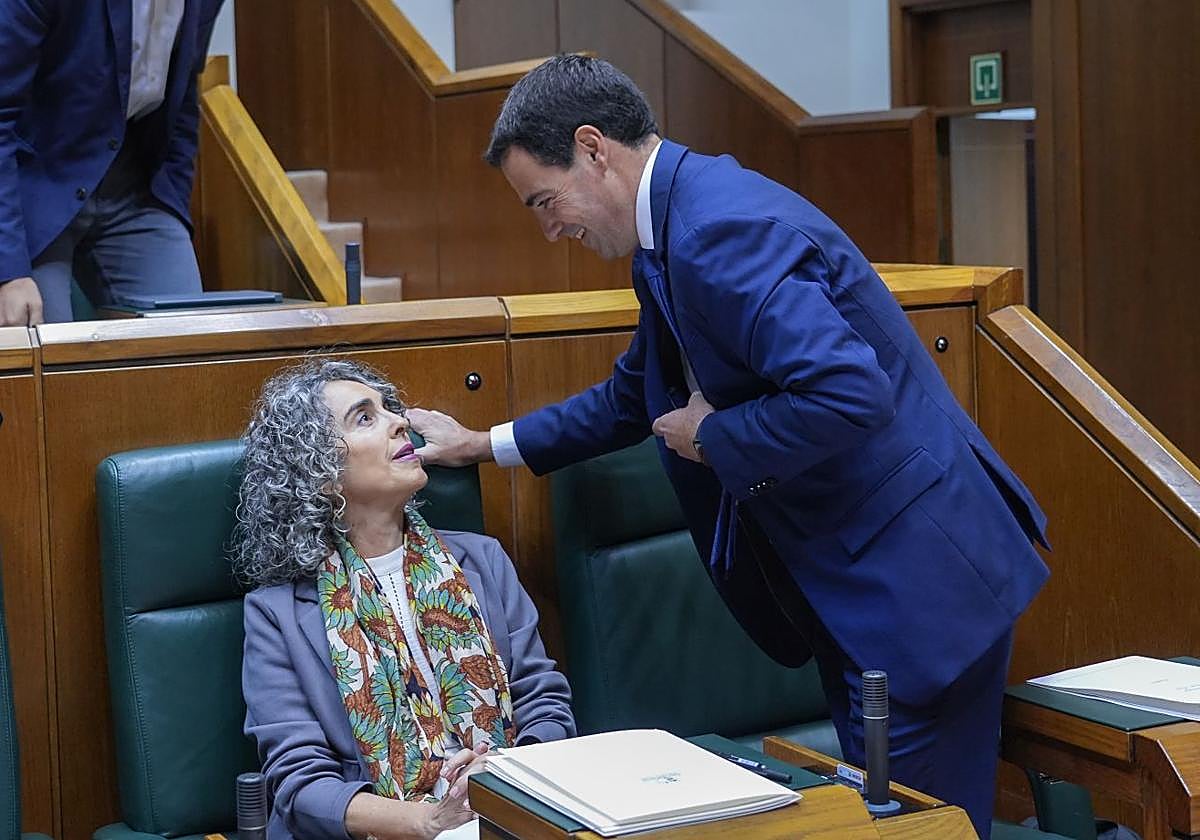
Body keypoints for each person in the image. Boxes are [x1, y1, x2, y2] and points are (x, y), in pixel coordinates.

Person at [409, 55, 1049, 839]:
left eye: (545, 200)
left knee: (920, 830)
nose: (550, 228)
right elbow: (634, 396)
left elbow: (848, 393)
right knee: (885, 826)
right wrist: (485, 443)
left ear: (593, 148)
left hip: (916, 594)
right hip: (861, 596)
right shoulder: (675, 227)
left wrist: (714, 435)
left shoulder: (717, 231)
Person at [234, 358, 575, 839]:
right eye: (365, 417)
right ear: (320, 473)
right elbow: (299, 783)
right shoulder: (278, 613)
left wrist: (502, 777)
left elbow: (545, 703)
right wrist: (428, 821)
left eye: (389, 409)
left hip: (506, 818)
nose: (400, 422)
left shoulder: (482, 560)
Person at [0, 0, 224, 325]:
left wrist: (171, 204)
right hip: (31, 189)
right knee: (47, 352)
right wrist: (7, 270)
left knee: (188, 337)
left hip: (134, 185)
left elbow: (184, 93)